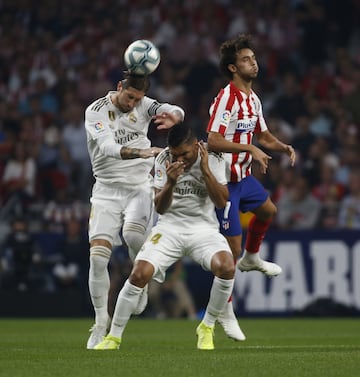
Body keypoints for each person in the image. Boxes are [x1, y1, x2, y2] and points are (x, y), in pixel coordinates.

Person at [94, 122, 242, 351]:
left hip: (203, 229)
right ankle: (113, 337)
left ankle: (207, 326)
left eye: (184, 154)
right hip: (169, 229)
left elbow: (222, 202)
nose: (179, 160)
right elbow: (160, 208)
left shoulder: (214, 157)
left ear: (196, 145)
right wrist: (171, 183)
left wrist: (205, 171)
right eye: (175, 155)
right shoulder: (163, 158)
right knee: (139, 273)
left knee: (227, 267)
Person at [85, 72, 184, 349]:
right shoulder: (96, 111)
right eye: (130, 97)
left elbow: (172, 108)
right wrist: (142, 152)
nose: (133, 103)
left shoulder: (143, 104)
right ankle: (100, 323)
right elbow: (106, 147)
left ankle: (139, 282)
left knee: (133, 237)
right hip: (106, 190)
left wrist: (174, 115)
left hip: (139, 187)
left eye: (138, 99)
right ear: (119, 87)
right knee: (97, 257)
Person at [206, 34, 296, 338]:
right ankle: (224, 312)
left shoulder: (253, 99)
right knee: (230, 250)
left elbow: (264, 135)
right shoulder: (226, 99)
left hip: (243, 179)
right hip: (224, 183)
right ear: (233, 68)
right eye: (246, 59)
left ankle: (252, 257)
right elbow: (213, 140)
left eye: (254, 57)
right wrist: (250, 150)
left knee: (269, 211)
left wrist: (282, 146)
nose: (253, 62)